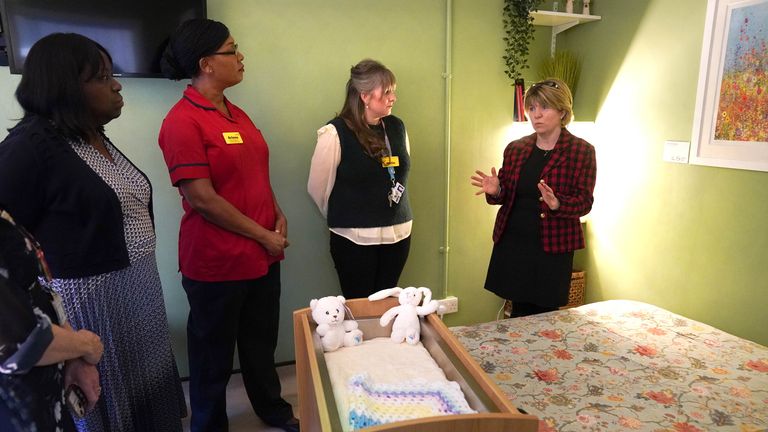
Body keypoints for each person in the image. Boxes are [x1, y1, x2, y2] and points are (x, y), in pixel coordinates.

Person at [0, 33, 186, 431]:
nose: (117, 84)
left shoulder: (92, 135)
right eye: (103, 77)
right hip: (91, 303)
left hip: (139, 290)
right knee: (111, 409)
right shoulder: (30, 147)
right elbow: (9, 244)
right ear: (65, 86)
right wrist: (58, 338)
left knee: (149, 404)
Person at [158, 19, 297, 432]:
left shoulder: (234, 112)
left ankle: (272, 409)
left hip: (262, 254)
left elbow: (254, 172)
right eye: (232, 50)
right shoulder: (182, 121)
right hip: (217, 261)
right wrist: (264, 234)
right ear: (206, 63)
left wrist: (277, 212)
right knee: (212, 354)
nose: (240, 58)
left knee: (259, 344)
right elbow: (202, 199)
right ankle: (208, 425)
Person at [471, 78, 596, 317]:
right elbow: (506, 194)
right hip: (514, 241)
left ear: (562, 111)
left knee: (546, 314)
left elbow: (585, 201)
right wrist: (496, 190)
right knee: (517, 310)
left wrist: (557, 203)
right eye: (532, 108)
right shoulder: (516, 148)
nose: (536, 115)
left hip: (552, 248)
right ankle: (514, 354)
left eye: (544, 107)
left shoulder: (582, 151)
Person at [308, 59, 413, 299]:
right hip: (354, 237)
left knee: (387, 305)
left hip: (398, 233)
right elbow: (317, 188)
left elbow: (403, 170)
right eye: (387, 92)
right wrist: (347, 214)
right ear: (365, 96)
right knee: (360, 308)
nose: (393, 97)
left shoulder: (397, 127)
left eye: (393, 91)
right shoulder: (335, 133)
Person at [0, 208, 103, 432]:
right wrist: (86, 345)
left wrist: (72, 356)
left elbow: (34, 289)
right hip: (18, 409)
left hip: (45, 396)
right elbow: (22, 341)